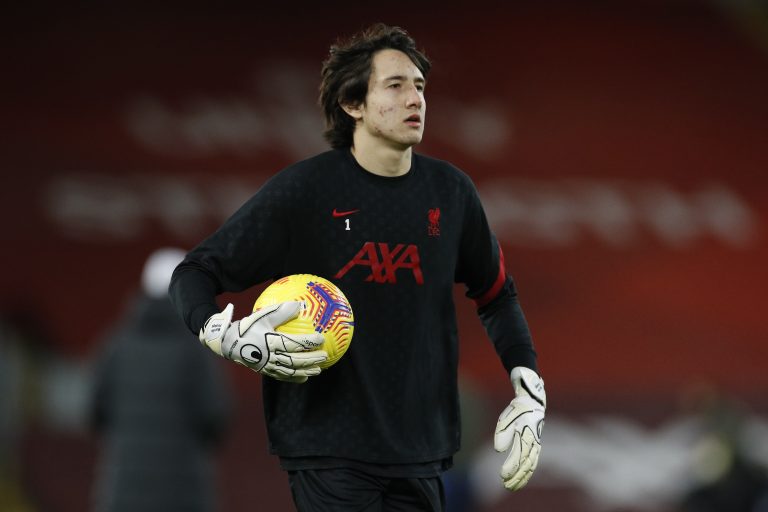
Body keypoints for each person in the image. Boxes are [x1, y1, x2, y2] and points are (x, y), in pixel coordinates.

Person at [169, 23, 545, 511]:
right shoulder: (306, 190)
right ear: (353, 105)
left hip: (423, 449)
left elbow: (497, 295)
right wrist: (221, 333)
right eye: (395, 85)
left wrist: (528, 384)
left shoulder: (451, 193)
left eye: (420, 86)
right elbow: (194, 272)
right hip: (328, 446)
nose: (415, 98)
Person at [90, 248, 233, 512]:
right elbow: (215, 417)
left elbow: (96, 413)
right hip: (184, 493)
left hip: (124, 492)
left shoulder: (116, 346)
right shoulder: (196, 349)